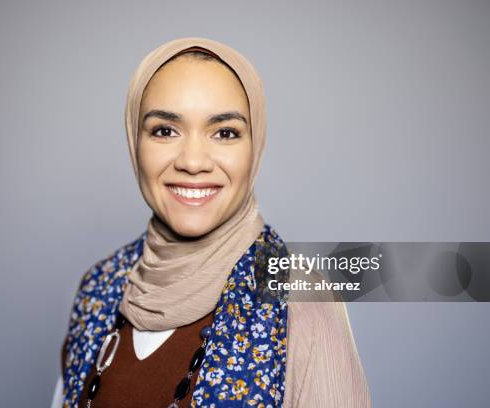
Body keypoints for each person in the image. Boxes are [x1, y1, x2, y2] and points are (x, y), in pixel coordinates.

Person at [51, 37, 371, 408]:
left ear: (256, 146)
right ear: (134, 140)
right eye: (165, 130)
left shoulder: (300, 298)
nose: (192, 161)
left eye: (225, 133)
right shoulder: (97, 291)